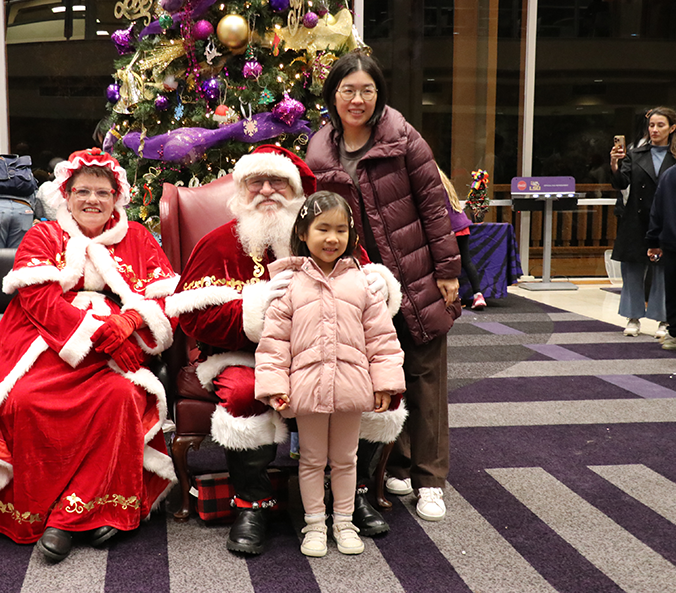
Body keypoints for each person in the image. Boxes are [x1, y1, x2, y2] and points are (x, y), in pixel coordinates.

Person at [166, 144, 404, 555]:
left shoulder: (328, 236)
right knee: (245, 392)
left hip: (330, 353)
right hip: (246, 356)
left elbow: (370, 303)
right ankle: (252, 503)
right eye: (256, 181)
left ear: (296, 190)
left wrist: (381, 288)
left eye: (277, 181)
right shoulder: (218, 244)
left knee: (372, 391)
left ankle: (354, 492)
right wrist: (255, 310)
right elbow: (193, 318)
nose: (266, 190)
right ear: (241, 189)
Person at [0, 148, 178, 563]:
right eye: (83, 191)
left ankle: (72, 517)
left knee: (122, 398)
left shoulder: (139, 237)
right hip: (46, 343)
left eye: (103, 192)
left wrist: (130, 322)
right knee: (25, 402)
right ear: (66, 196)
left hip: (118, 352)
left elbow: (166, 299)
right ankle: (59, 515)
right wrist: (99, 333)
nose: (93, 200)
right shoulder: (42, 235)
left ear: (117, 197)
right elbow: (39, 301)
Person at [305, 51, 461, 522]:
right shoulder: (319, 150)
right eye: (348, 90)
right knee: (381, 375)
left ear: (379, 94)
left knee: (424, 374)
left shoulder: (403, 138)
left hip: (414, 274)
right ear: (333, 95)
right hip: (362, 285)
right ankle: (398, 463)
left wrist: (447, 269)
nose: (357, 100)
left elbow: (434, 206)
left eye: (367, 90)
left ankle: (430, 480)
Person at [255, 191, 406, 558]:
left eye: (341, 230)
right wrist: (275, 385)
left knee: (346, 459)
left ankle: (344, 521)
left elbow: (382, 339)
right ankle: (314, 524)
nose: (332, 238)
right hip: (306, 389)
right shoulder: (289, 284)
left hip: (351, 388)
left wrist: (386, 382)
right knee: (310, 459)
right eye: (322, 229)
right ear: (303, 233)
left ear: (351, 235)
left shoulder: (362, 283)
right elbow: (274, 343)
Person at [610, 107, 676, 340]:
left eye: (660, 125)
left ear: (672, 128)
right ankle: (632, 317)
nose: (654, 130)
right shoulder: (635, 154)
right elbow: (621, 182)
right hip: (636, 218)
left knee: (664, 271)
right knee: (632, 269)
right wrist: (614, 164)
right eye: (651, 125)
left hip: (667, 218)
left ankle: (664, 319)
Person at [646, 156, 676, 354]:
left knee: (674, 289)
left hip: (670, 240)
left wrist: (653, 241)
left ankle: (674, 333)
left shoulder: (668, 175)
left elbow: (657, 210)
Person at [439, 167, 486, 310]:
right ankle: (478, 295)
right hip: (462, 225)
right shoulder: (447, 185)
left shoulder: (433, 185)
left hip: (450, 228)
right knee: (466, 261)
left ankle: (454, 297)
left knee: (449, 261)